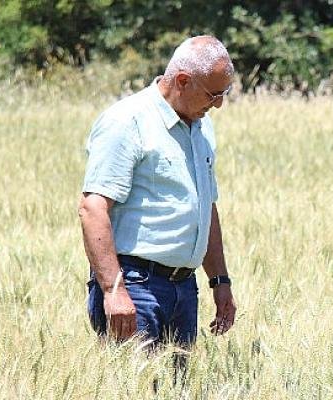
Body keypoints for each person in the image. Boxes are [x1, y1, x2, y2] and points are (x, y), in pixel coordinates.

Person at [78, 35, 236, 349]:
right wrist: (113, 289)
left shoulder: (202, 127)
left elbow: (206, 207)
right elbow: (92, 208)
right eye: (213, 94)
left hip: (184, 288)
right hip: (135, 286)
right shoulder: (126, 121)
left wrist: (220, 280)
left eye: (224, 93)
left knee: (177, 390)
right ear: (182, 81)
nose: (218, 104)